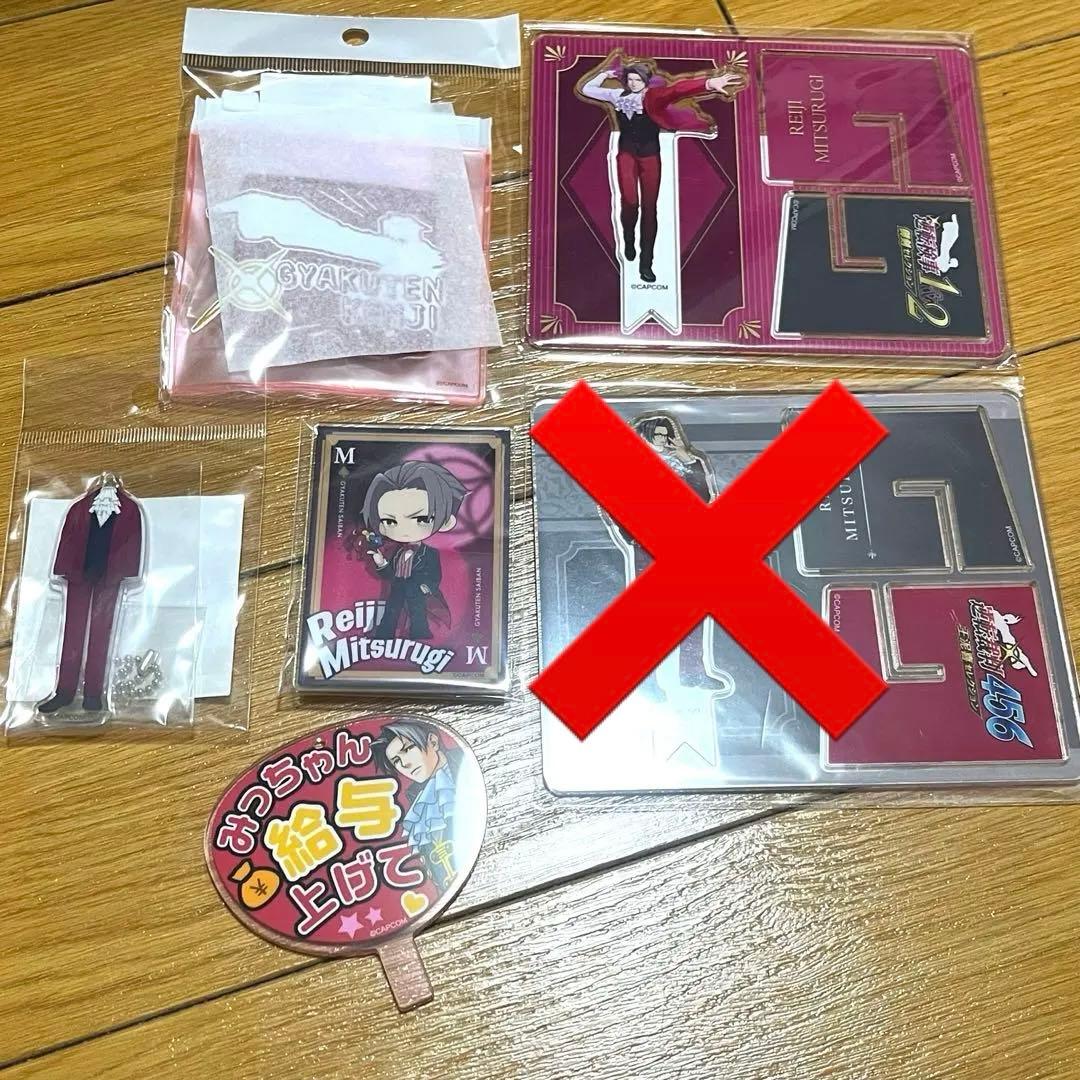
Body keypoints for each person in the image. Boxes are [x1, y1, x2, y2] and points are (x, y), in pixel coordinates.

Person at [579, 57, 746, 282]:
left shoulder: (653, 97)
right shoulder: (615, 95)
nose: (634, 83)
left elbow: (677, 89)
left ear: (645, 82)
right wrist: (604, 75)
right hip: (626, 154)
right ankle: (628, 239)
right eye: (630, 79)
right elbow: (587, 89)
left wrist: (708, 83)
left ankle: (646, 263)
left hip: (650, 156)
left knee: (650, 208)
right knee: (629, 201)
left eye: (638, 80)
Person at [362, 460, 467, 640]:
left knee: (418, 613)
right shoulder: (397, 551)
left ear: (446, 521)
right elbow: (389, 574)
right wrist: (381, 562)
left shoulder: (430, 553)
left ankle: (420, 635)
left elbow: (435, 574)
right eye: (389, 521)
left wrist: (426, 587)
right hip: (397, 587)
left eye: (420, 519)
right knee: (391, 611)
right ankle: (384, 635)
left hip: (416, 589)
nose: (403, 530)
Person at [371, 719, 460, 886]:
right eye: (396, 761)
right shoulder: (417, 803)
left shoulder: (463, 765)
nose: (405, 764)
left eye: (408, 749)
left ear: (433, 742)